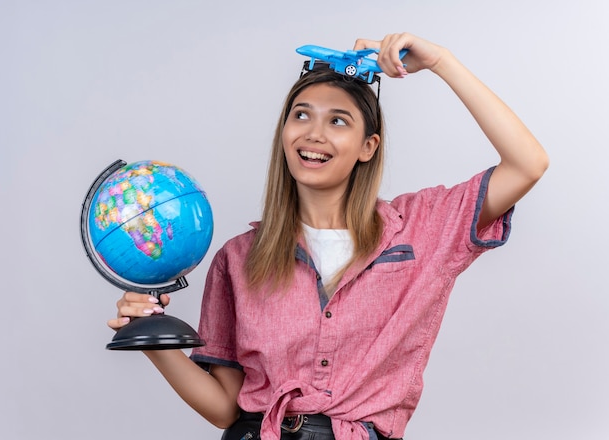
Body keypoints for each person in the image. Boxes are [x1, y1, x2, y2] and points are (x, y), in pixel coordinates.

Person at [108, 32, 549, 440]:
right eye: (301, 115)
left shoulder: (422, 228)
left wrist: (440, 62)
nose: (314, 133)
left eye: (338, 121)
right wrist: (150, 335)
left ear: (367, 147)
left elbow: (527, 163)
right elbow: (225, 407)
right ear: (285, 132)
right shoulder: (239, 258)